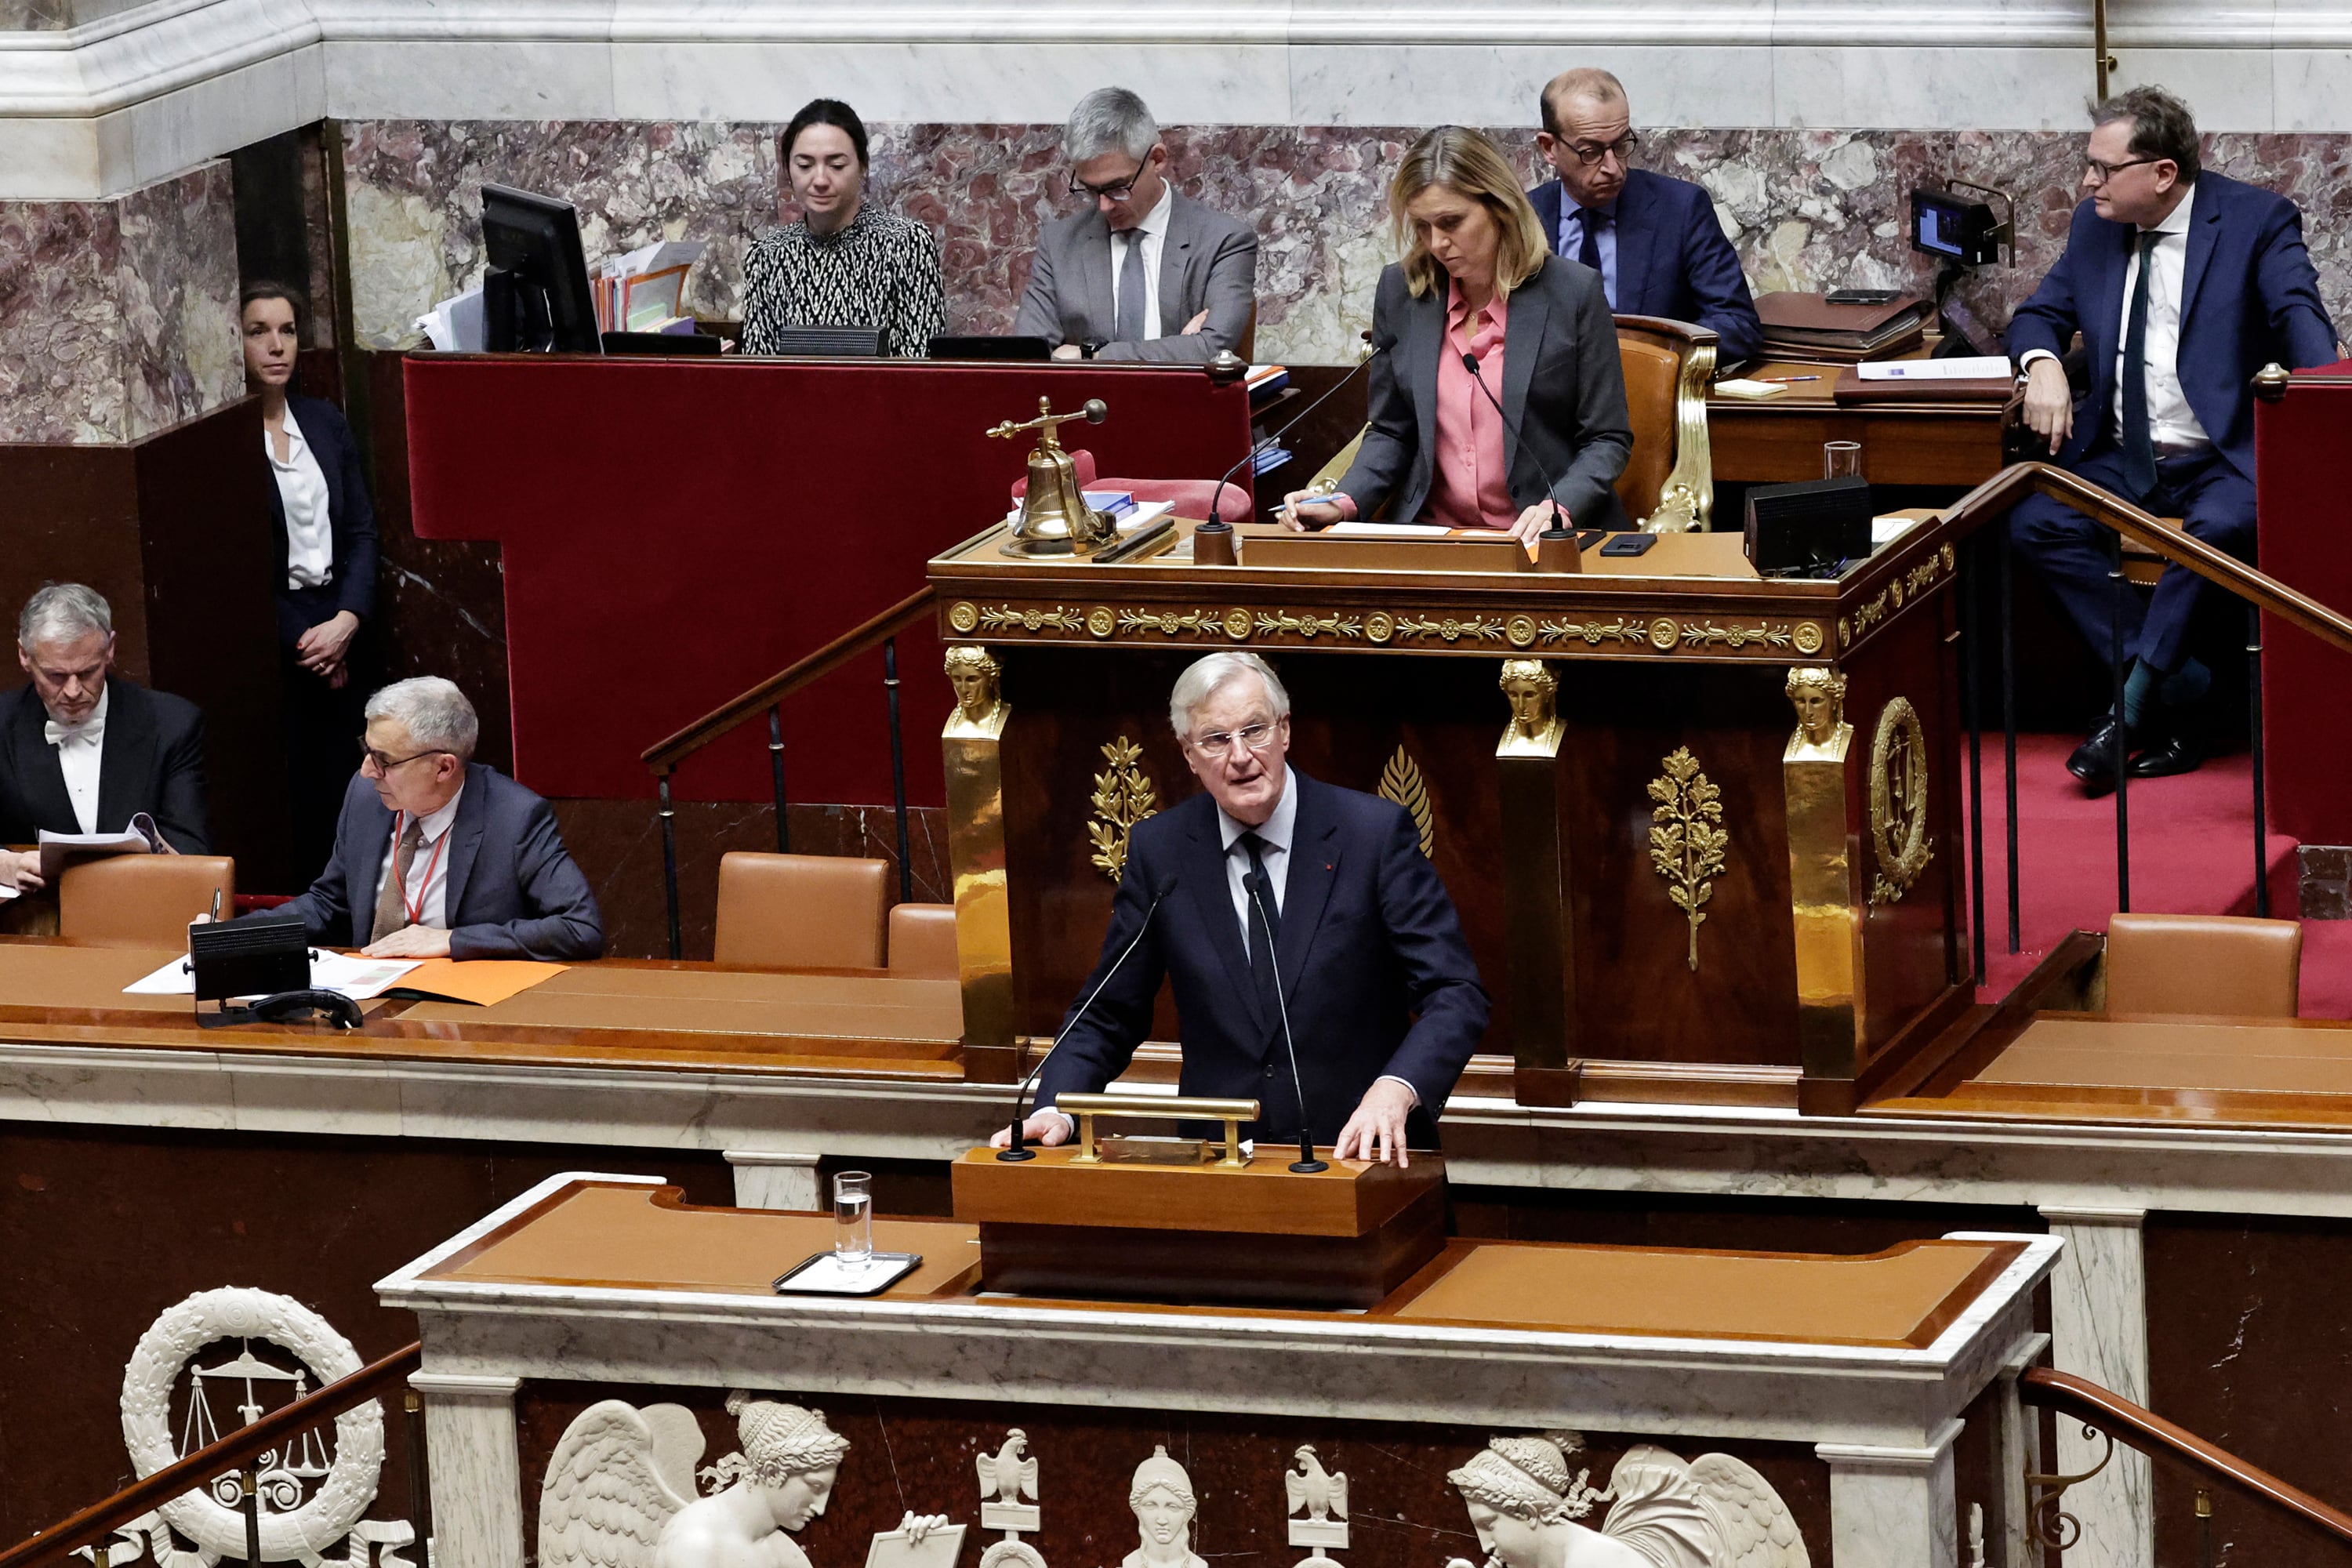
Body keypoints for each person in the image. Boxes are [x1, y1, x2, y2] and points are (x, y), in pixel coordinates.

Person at [994, 652, 1488, 1165]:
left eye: (1255, 730)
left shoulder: (1373, 835)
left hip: (1362, 1158)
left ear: (1285, 731)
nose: (1240, 756)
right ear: (1189, 754)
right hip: (1219, 1169)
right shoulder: (1161, 852)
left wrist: (1397, 1087)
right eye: (1215, 739)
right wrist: (1056, 1108)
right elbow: (1107, 1012)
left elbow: (1455, 991)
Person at [2008, 85, 2336, 791]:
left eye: (2102, 167)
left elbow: (2299, 316)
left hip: (2221, 457)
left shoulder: (2255, 220)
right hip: (2120, 456)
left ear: (2161, 173)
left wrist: (2327, 397)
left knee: (2214, 531)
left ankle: (2127, 714)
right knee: (2035, 521)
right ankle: (2184, 689)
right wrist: (2042, 368)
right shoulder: (2095, 226)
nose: (2088, 180)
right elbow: (2036, 314)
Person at [1281, 125, 1633, 543]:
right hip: (1432, 539)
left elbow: (1606, 438)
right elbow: (1392, 429)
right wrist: (1342, 501)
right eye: (1423, 227)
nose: (1437, 243)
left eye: (1452, 222)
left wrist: (1558, 507)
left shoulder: (1573, 291)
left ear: (1499, 207)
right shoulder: (1402, 292)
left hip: (1542, 539)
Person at [265, 676, 602, 960]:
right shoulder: (366, 797)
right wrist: (223, 935)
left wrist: (453, 940)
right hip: (367, 997)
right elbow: (328, 904)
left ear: (444, 767)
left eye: (384, 760)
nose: (367, 771)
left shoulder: (514, 817)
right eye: (367, 751)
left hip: (462, 1014)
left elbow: (579, 926)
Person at [242, 280, 381, 876]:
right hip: (281, 643)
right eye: (259, 332)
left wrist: (346, 620)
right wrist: (310, 641)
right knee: (300, 802)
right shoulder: (231, 440)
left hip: (343, 624)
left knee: (358, 789)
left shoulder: (323, 423)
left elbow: (363, 533)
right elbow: (241, 561)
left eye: (288, 331)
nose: (277, 347)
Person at [1526, 67, 1762, 365]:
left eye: (1621, 145)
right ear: (1549, 148)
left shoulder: (1681, 209)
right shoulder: (1524, 219)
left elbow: (1738, 325)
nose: (1613, 167)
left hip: (1653, 396)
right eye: (1591, 152)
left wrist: (1645, 349)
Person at [1011, 87, 1258, 363]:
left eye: (1117, 188)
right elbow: (1030, 359)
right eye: (1091, 190)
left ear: (1157, 159)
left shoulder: (1224, 240)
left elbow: (1212, 350)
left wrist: (1090, 356)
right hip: (1081, 404)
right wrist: (1179, 349)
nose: (1104, 205)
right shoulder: (1059, 243)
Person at [0, 584, 209, 891]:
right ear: (24, 656)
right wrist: (8, 865)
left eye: (87, 672)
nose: (72, 691)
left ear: (110, 649)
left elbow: (192, 856)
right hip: (36, 920)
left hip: (140, 909)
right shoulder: (3, 724)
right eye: (55, 676)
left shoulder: (172, 724)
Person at [741, 99, 948, 359]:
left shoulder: (907, 245)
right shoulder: (767, 256)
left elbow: (921, 369)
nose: (820, 180)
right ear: (789, 170)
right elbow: (760, 374)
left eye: (836, 165)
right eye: (805, 165)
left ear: (862, 166)